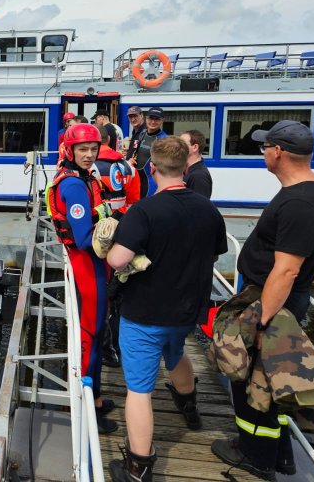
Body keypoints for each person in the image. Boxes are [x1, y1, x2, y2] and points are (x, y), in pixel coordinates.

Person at [211, 120, 314, 481]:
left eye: (265, 146)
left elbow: (286, 271)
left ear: (278, 152)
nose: (263, 151)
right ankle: (280, 455)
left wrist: (261, 322)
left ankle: (255, 455)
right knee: (273, 381)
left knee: (252, 382)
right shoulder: (309, 189)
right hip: (273, 300)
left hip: (271, 304)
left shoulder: (299, 205)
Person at [106, 136, 227, 482]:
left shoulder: (145, 211)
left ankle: (139, 466)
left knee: (139, 390)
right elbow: (214, 251)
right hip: (188, 309)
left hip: (146, 312)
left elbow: (117, 260)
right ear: (186, 168)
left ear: (153, 168)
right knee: (176, 354)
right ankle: (190, 409)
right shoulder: (208, 209)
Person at [47, 123, 117, 434]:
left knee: (99, 331)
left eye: (93, 149)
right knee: (90, 333)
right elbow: (86, 238)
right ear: (70, 151)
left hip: (94, 266)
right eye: (83, 150)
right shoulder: (74, 186)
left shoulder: (87, 178)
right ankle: (89, 409)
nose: (89, 155)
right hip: (86, 265)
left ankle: (97, 396)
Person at [94, 125, 140, 368]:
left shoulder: (86, 168)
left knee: (99, 293)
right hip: (123, 235)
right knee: (118, 290)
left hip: (96, 237)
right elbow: (134, 202)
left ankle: (105, 349)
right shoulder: (127, 167)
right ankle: (119, 348)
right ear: (111, 140)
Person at [127, 107, 167, 197]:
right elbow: (137, 153)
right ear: (146, 118)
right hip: (136, 181)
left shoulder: (165, 140)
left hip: (152, 183)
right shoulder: (142, 134)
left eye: (157, 119)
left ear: (162, 120)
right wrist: (131, 160)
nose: (153, 122)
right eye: (151, 118)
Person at [180, 130, 213, 198]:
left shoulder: (199, 176)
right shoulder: (185, 169)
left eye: (182, 143)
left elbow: (200, 206)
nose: (177, 146)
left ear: (195, 147)